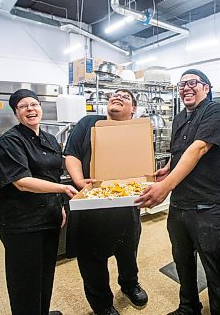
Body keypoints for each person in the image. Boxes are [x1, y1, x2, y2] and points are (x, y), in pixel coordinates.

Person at [137, 69, 220, 315]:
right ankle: (188, 307)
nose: (186, 88)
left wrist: (165, 186)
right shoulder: (180, 117)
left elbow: (199, 148)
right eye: (182, 85)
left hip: (206, 207)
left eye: (193, 83)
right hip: (180, 205)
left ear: (206, 88)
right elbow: (180, 151)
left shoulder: (215, 111)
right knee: (183, 262)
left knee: (215, 269)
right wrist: (167, 169)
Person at [0, 89, 78, 315]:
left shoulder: (49, 139)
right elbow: (22, 181)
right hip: (21, 222)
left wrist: (59, 205)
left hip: (48, 217)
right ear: (16, 113)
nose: (30, 109)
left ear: (40, 108)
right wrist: (63, 189)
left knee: (45, 274)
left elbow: (53, 174)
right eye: (23, 106)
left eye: (34, 104)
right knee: (25, 282)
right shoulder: (10, 141)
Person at [64, 89, 148, 315]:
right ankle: (102, 303)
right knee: (91, 259)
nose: (118, 96)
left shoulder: (137, 131)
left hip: (125, 204)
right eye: (115, 94)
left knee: (128, 249)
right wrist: (80, 182)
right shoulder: (88, 123)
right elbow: (71, 154)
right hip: (92, 205)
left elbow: (144, 165)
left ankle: (130, 284)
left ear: (134, 110)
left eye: (126, 97)